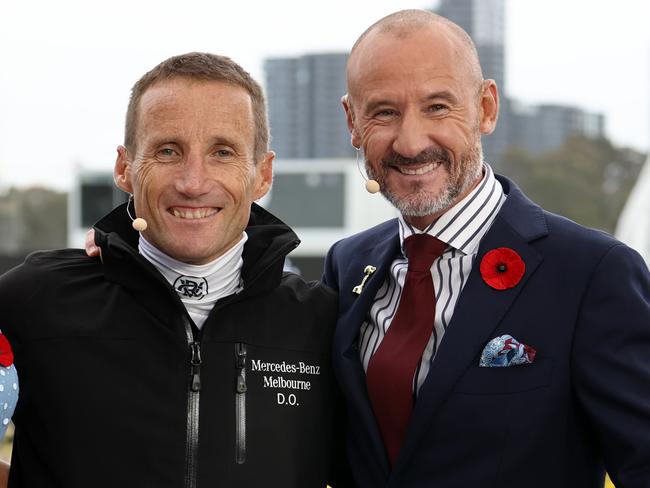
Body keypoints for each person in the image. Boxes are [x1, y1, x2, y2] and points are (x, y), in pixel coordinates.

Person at [323, 9, 650, 487]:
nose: (411, 142)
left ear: (486, 108)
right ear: (353, 122)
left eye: (437, 107)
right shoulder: (346, 266)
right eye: (385, 112)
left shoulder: (593, 273)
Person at [0, 52, 349, 487]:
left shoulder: (324, 322)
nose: (193, 182)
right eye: (168, 151)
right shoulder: (32, 301)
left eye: (222, 152)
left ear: (262, 174)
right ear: (125, 167)